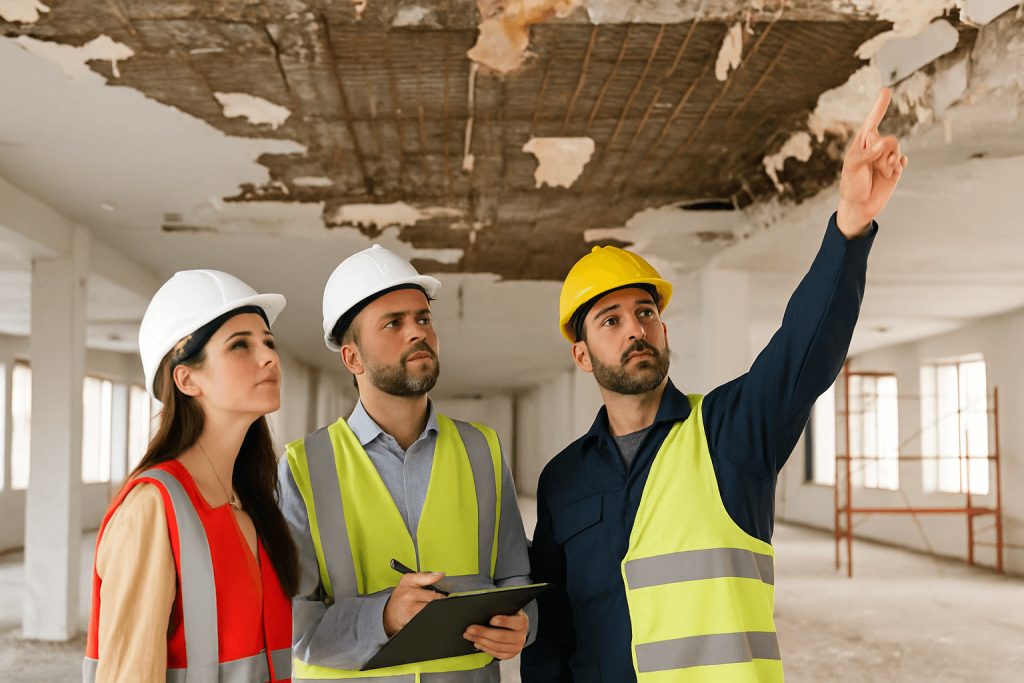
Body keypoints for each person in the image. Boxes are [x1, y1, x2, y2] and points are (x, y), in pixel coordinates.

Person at [521, 90, 908, 683]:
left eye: (645, 312)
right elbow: (553, 633)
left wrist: (850, 226)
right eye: (611, 320)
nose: (636, 330)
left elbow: (803, 349)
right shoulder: (563, 479)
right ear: (582, 354)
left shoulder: (731, 432)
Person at [278, 245, 536, 681]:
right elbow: (294, 626)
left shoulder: (482, 449)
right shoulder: (303, 466)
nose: (417, 332)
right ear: (353, 357)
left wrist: (524, 626)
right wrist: (382, 617)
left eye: (423, 318)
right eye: (393, 323)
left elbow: (516, 580)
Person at [84, 270, 298, 683]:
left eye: (268, 342)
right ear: (186, 378)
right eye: (241, 345)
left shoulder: (251, 502)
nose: (270, 356)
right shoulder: (153, 508)